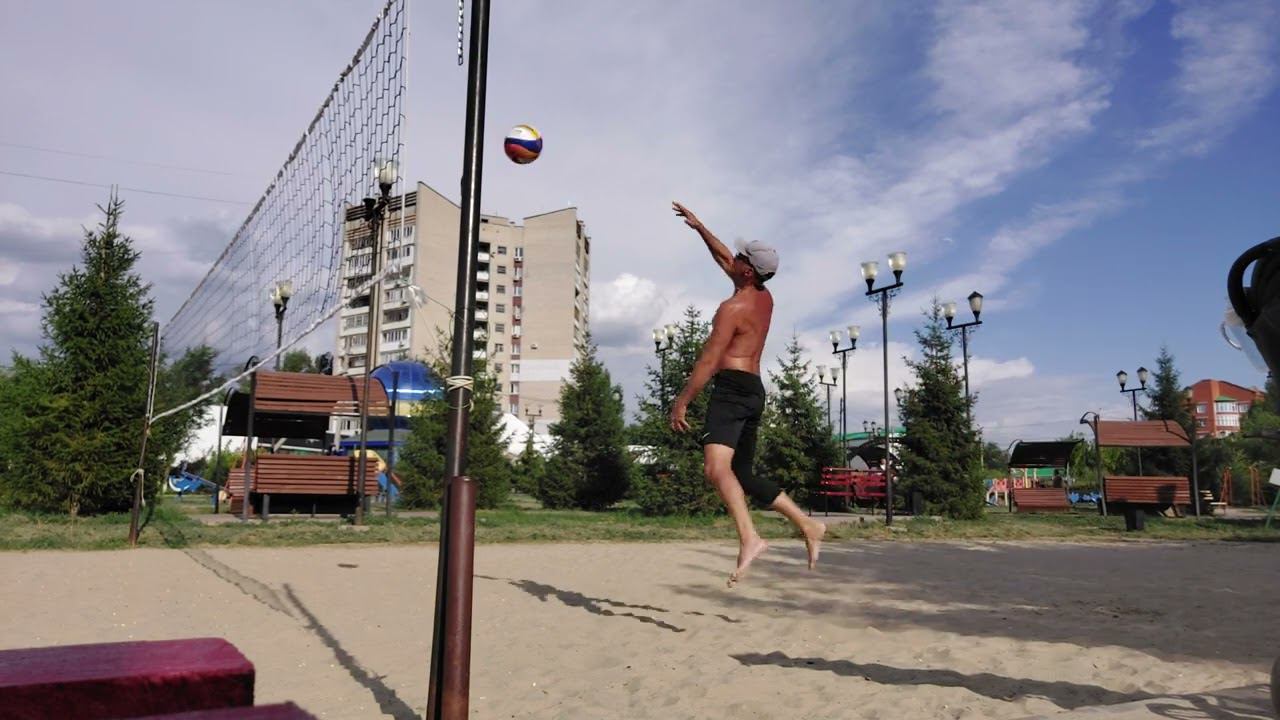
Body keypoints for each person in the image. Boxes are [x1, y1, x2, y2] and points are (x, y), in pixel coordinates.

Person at [668, 201, 827, 587]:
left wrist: (682, 401)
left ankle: (750, 538)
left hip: (731, 390)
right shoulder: (762, 296)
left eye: (741, 257)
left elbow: (709, 360)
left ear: (748, 270)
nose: (734, 257)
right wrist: (699, 227)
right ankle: (808, 524)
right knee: (743, 473)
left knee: (715, 469)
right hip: (754, 391)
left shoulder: (732, 308)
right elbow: (725, 257)